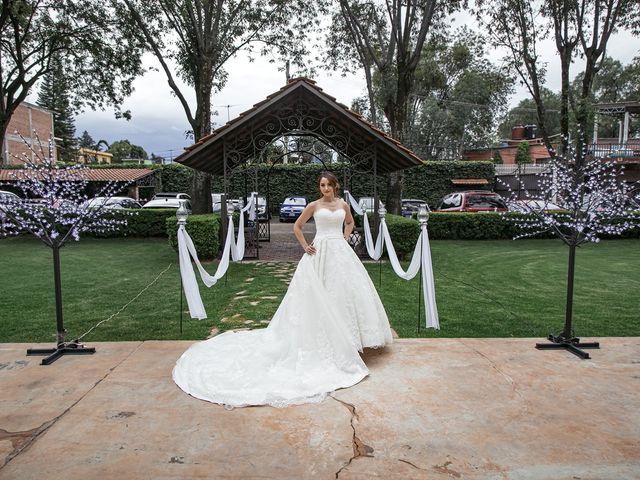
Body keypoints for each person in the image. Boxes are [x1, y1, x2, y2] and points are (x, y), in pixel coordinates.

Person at [173, 172, 393, 407]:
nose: (325, 188)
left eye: (328, 185)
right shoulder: (313, 205)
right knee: (318, 296)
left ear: (335, 186)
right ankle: (327, 342)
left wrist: (344, 237)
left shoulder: (343, 205)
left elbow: (350, 222)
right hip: (318, 252)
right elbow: (297, 227)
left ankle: (350, 339)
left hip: (340, 252)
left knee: (346, 294)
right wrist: (305, 246)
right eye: (322, 185)